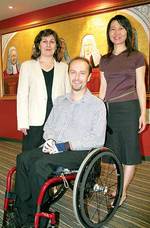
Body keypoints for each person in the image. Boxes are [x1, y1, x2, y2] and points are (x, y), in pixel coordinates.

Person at [13, 57, 106, 227]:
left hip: (79, 152)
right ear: (68, 74)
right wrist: (50, 140)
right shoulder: (60, 101)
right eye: (73, 72)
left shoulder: (97, 105)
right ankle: (22, 214)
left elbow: (97, 139)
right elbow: (49, 126)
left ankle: (37, 219)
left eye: (82, 73)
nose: (77, 77)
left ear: (89, 77)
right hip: (55, 146)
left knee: (40, 165)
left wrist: (64, 146)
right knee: (23, 159)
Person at [99, 15, 146, 206]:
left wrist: (143, 113)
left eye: (121, 29)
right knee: (115, 151)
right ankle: (119, 185)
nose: (116, 33)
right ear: (108, 33)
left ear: (127, 31)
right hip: (110, 110)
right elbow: (102, 90)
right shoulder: (104, 59)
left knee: (130, 151)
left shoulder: (136, 56)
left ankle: (122, 191)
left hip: (128, 108)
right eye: (112, 29)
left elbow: (141, 86)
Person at [17, 29, 71, 152]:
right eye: (44, 41)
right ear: (38, 45)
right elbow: (22, 96)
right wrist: (23, 122)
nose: (48, 44)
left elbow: (68, 95)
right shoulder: (27, 66)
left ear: (56, 46)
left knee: (53, 155)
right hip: (34, 121)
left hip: (57, 119)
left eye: (52, 41)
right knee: (30, 154)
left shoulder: (64, 67)